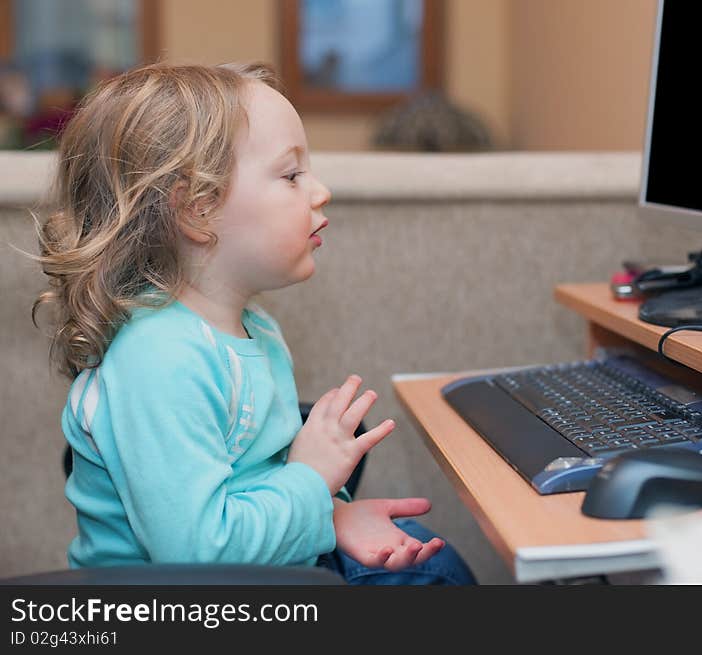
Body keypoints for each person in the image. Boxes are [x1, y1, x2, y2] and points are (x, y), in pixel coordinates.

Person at [32, 62, 476, 585]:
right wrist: (312, 480)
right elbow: (197, 556)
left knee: (433, 562)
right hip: (174, 604)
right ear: (197, 209)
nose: (320, 191)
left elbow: (257, 482)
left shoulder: (256, 330)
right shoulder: (159, 359)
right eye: (292, 175)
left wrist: (331, 512)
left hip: (260, 569)